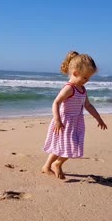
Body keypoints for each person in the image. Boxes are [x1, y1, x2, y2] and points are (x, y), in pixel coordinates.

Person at [42, 51, 108, 179]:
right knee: (68, 147)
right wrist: (57, 120)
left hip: (76, 123)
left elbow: (88, 105)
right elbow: (56, 103)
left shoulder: (82, 89)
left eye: (88, 78)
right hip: (64, 123)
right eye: (84, 78)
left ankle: (47, 166)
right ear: (75, 73)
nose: (87, 81)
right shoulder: (69, 88)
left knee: (64, 147)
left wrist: (98, 118)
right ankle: (56, 164)